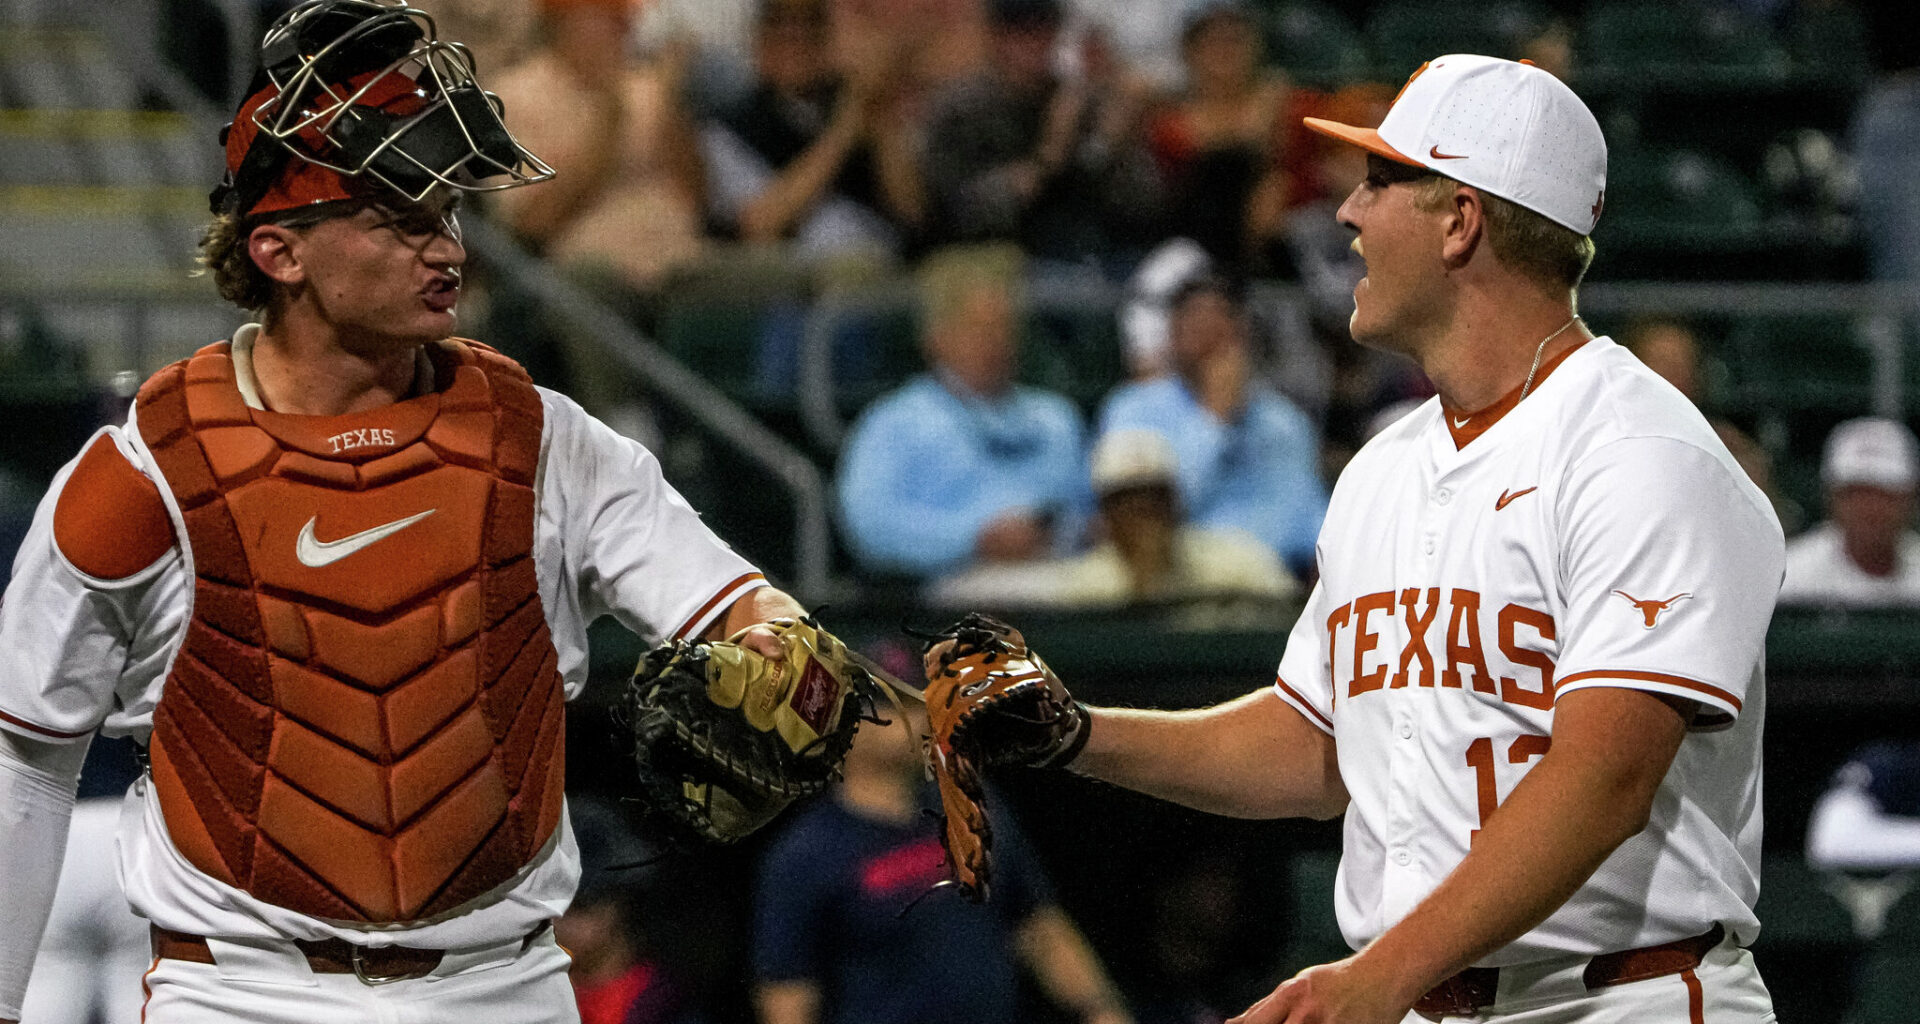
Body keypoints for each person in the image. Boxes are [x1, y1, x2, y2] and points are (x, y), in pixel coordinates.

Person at [0, 5, 810, 1023]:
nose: (449, 249)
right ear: (281, 252)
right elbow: (26, 755)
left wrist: (781, 648)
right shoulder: (146, 470)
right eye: (402, 216)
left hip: (504, 981)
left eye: (451, 211)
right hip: (244, 990)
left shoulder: (547, 441)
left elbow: (738, 607)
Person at [937, 55, 1783, 1023]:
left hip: (1622, 997)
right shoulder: (1382, 467)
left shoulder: (1641, 452)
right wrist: (1077, 736)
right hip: (1419, 997)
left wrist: (1381, 974)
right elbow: (1318, 743)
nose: (1347, 212)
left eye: (1382, 181)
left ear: (1462, 219)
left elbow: (1604, 777)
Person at [751, 695, 1131, 1024]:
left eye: (916, 702)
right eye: (886, 703)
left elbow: (1036, 925)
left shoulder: (968, 804)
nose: (908, 715)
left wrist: (1099, 1008)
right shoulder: (805, 853)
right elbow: (787, 991)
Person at [835, 246, 1086, 577]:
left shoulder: (1056, 417)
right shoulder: (894, 421)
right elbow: (870, 524)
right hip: (953, 583)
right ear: (935, 339)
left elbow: (1090, 509)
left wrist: (1068, 530)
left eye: (1004, 328)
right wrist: (975, 539)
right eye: (979, 329)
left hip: (1064, 568)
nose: (995, 342)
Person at [928, 428, 1296, 619]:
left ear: (1175, 504)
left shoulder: (1239, 564)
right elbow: (953, 594)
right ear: (1103, 516)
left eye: (1152, 500)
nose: (1141, 516)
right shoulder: (1085, 584)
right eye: (1126, 503)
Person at [1096, 275, 1328, 576]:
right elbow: (1146, 514)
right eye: (1196, 326)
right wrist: (1214, 418)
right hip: (1179, 581)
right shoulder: (1134, 410)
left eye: (1221, 325)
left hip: (1277, 585)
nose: (1209, 341)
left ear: (1242, 333)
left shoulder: (1284, 421)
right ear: (1172, 335)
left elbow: (1308, 514)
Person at [921, 0, 1163, 271]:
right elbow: (958, 214)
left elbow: (1141, 204)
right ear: (994, 36)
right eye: (1018, 32)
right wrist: (1048, 155)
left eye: (1043, 31)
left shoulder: (1081, 100)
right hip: (990, 261)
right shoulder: (960, 109)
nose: (1032, 44)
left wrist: (1106, 143)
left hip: (1091, 254)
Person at [491, 0, 708, 301]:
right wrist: (609, 120)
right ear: (565, 21)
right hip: (592, 273)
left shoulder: (645, 86)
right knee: (590, 285)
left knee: (782, 274)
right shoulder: (514, 96)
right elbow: (533, 225)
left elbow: (698, 200)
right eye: (611, 17)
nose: (625, 27)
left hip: (682, 263)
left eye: (626, 17)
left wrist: (673, 109)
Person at [701, 0, 926, 260]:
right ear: (760, 40)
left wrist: (880, 118)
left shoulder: (854, 99)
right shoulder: (729, 127)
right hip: (799, 277)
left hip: (889, 264)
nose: (796, 35)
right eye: (780, 23)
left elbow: (913, 210)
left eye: (811, 23)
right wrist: (843, 131)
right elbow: (759, 224)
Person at [1144, 0, 1292, 272]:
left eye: (1236, 40)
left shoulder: (1289, 106)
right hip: (1192, 253)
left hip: (1281, 252)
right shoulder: (1169, 122)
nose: (1226, 52)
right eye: (1214, 41)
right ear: (1190, 50)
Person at [1780, 416, 1920, 606]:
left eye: (1885, 495)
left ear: (1909, 498)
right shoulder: (1791, 577)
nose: (1870, 509)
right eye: (1856, 494)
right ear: (1831, 497)